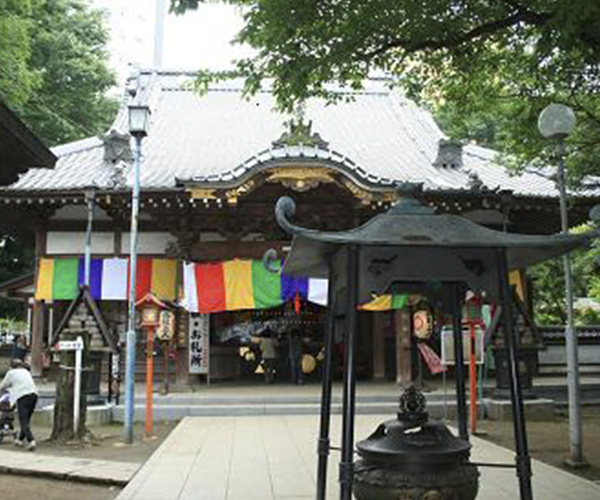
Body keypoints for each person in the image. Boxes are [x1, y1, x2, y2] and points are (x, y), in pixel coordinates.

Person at [0, 359, 38, 450]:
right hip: (34, 395)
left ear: (11, 366)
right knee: (27, 419)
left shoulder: (11, 373)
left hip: (22, 396)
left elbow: (3, 385)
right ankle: (20, 440)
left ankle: (31, 440)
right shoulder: (26, 372)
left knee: (23, 421)